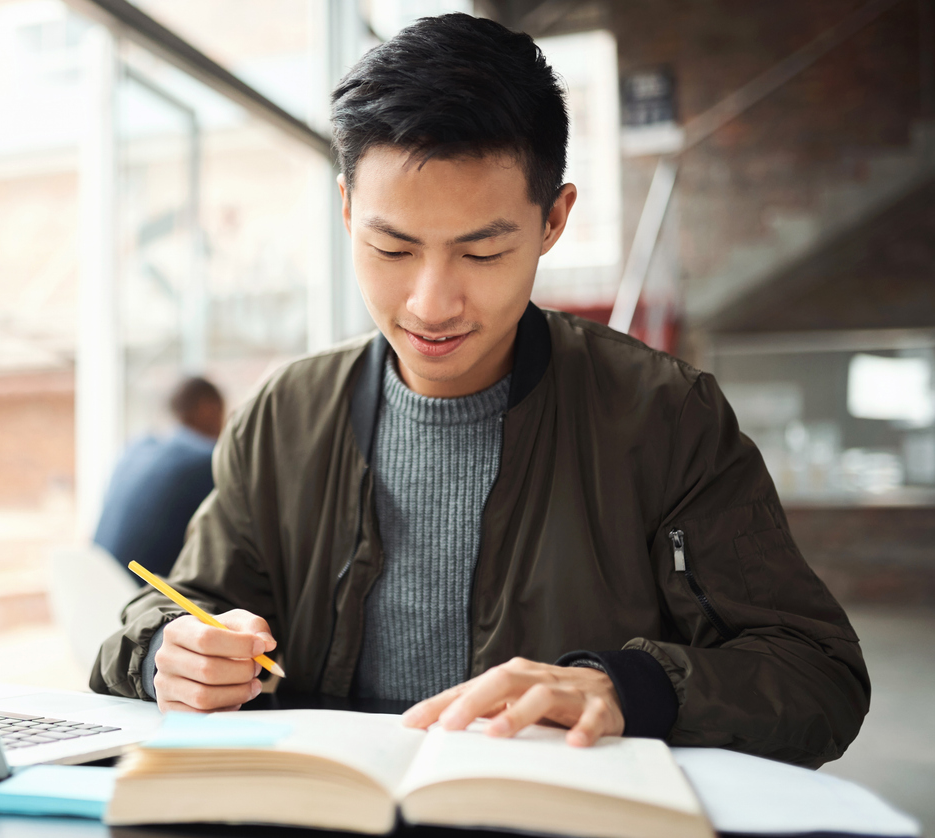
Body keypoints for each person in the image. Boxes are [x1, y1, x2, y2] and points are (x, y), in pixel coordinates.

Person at [91, 14, 868, 767]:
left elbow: (817, 676)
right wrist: (170, 650)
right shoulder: (284, 416)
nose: (431, 304)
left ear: (554, 219)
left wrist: (627, 687)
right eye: (391, 247)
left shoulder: (663, 417)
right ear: (346, 210)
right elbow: (175, 607)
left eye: (483, 252)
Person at [93, 377, 225, 577]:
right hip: (145, 597)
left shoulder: (136, 447)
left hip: (93, 585)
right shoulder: (206, 460)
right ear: (208, 408)